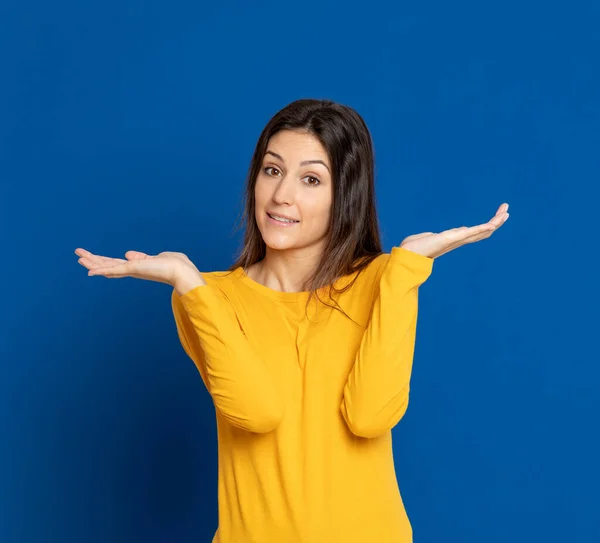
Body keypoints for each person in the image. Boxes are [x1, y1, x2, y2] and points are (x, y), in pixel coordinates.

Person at [75, 98, 509, 542]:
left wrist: (407, 268)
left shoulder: (384, 280)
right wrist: (188, 283)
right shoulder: (210, 297)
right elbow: (255, 412)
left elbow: (370, 414)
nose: (282, 195)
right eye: (272, 170)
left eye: (311, 179)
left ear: (345, 194)